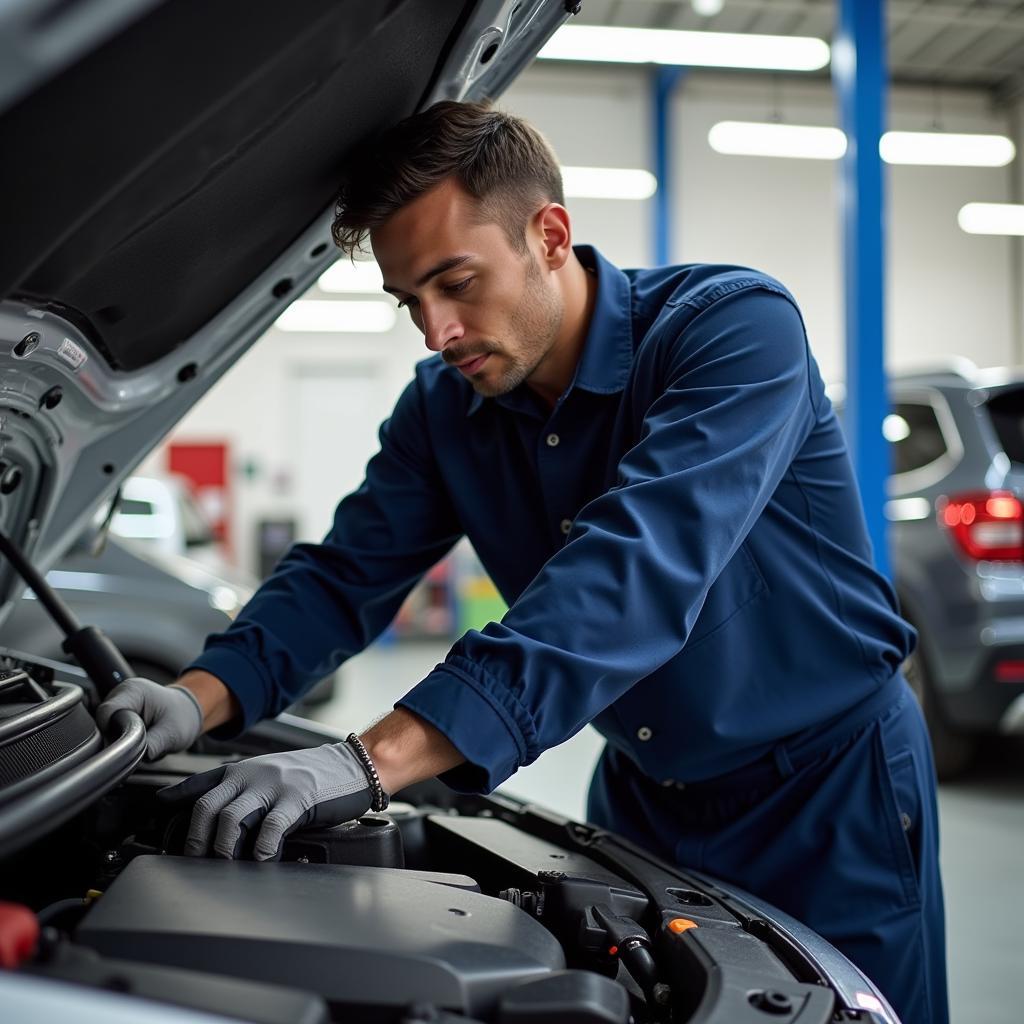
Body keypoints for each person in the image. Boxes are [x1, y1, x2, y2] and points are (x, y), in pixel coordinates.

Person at [97, 100, 947, 1023]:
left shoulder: (733, 332)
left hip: (829, 791)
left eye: (457, 282)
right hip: (645, 798)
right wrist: (197, 696)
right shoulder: (442, 410)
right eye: (411, 301)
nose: (437, 331)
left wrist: (370, 761)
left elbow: (637, 569)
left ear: (549, 235)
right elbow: (344, 575)